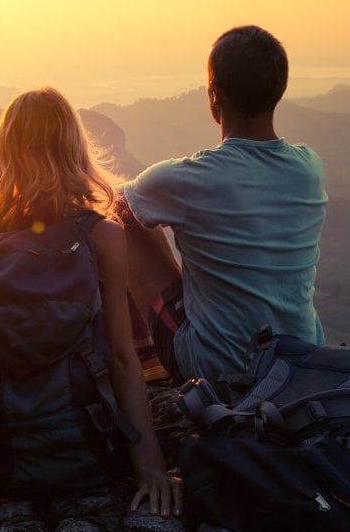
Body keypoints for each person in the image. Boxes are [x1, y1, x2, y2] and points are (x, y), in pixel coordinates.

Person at [0, 87, 181, 516]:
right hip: (86, 443)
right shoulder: (104, 234)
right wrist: (150, 467)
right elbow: (120, 355)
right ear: (74, 150)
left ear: (3, 151)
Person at [117, 25, 327, 387]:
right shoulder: (309, 167)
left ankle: (144, 359)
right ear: (278, 91)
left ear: (214, 95)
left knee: (125, 222)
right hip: (302, 361)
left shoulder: (185, 179)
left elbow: (112, 203)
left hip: (218, 369)